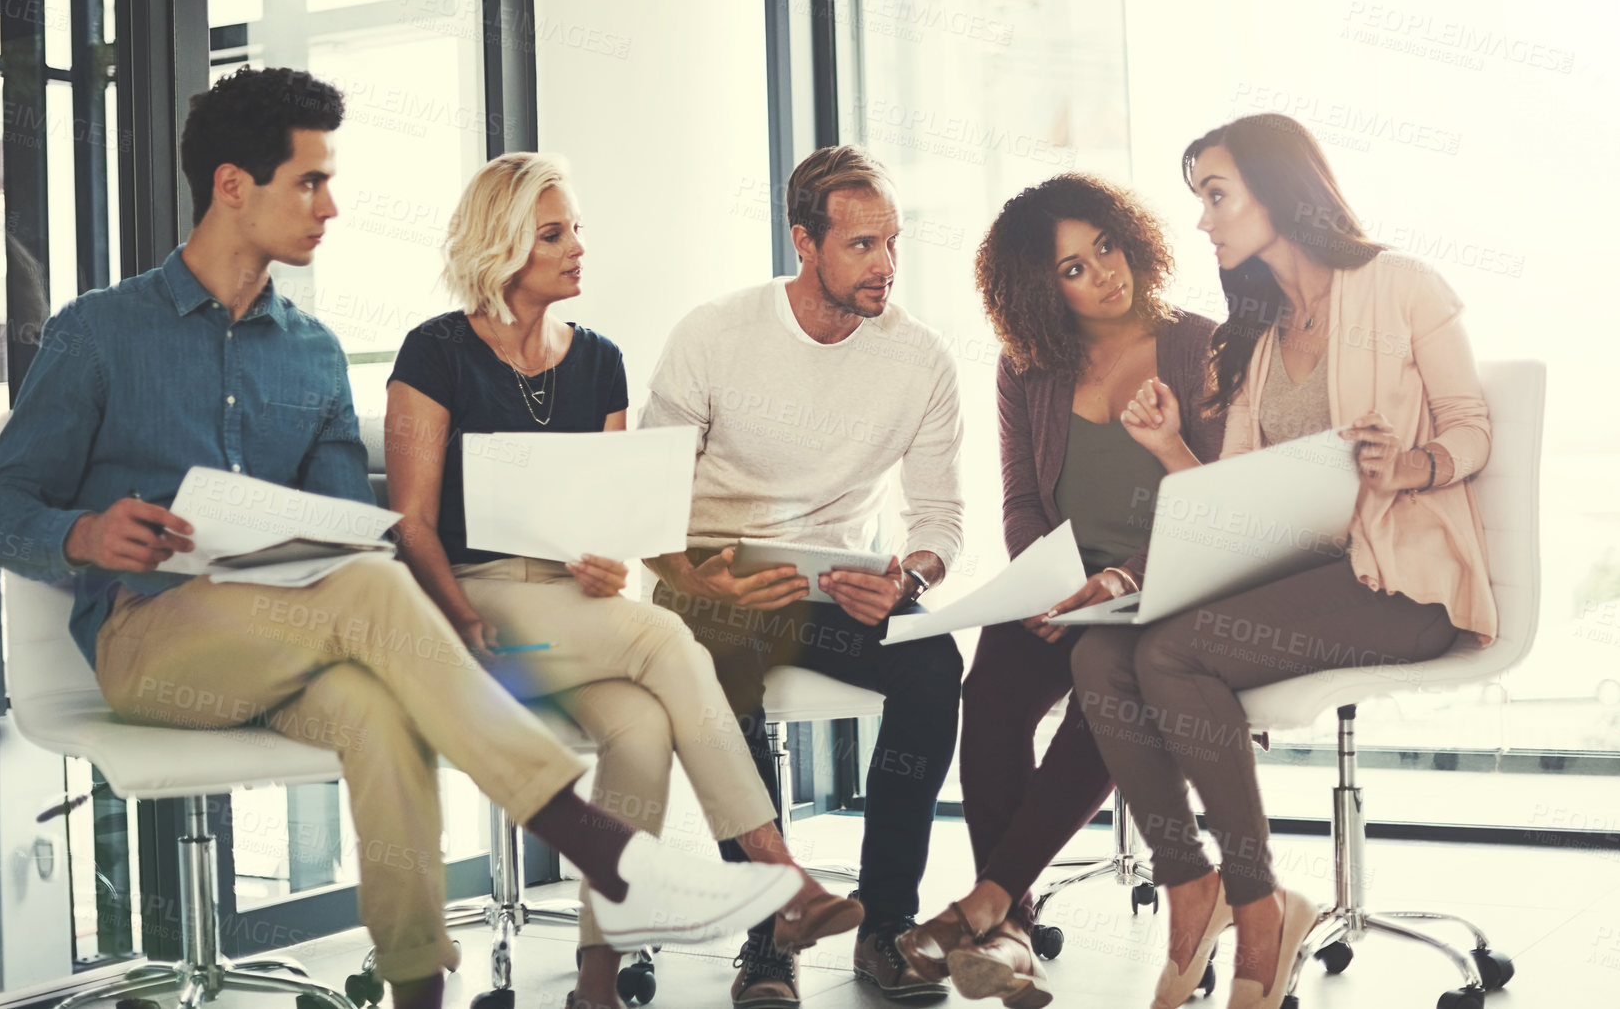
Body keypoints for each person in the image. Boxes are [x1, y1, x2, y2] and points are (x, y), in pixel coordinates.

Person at [0, 67, 803, 1009]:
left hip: (300, 639)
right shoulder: (100, 332)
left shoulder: (315, 352)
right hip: (152, 642)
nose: (332, 206)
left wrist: (339, 545)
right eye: (311, 182)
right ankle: (608, 853)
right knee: (372, 600)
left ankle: (417, 992)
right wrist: (83, 532)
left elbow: (349, 536)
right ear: (233, 186)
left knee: (379, 710)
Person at [384, 152, 863, 1009]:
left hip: (577, 603)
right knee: (668, 636)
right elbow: (412, 523)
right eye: (554, 233)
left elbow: (615, 524)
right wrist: (457, 615)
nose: (578, 248)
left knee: (641, 730)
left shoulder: (599, 359)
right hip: (477, 594)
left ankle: (595, 984)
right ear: (501, 246)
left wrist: (628, 560)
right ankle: (782, 878)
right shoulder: (436, 351)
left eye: (578, 230)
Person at [1066, 113, 1494, 1009]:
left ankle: (1259, 908)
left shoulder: (1402, 286)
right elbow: (1240, 501)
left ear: (1280, 189)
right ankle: (1194, 890)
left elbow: (1472, 426)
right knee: (1100, 653)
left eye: (1216, 195)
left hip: (1401, 584)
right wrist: (1171, 448)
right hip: (1301, 577)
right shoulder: (1258, 335)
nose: (1204, 221)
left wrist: (1417, 463)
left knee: (1169, 652)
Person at [640, 144, 967, 1008]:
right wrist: (702, 579)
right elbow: (643, 501)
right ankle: (768, 936)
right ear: (803, 241)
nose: (886, 266)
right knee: (719, 663)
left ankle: (886, 925)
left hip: (833, 592)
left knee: (936, 663)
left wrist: (908, 578)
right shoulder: (715, 333)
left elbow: (941, 522)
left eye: (893, 242)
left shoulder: (922, 358)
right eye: (862, 245)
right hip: (714, 591)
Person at [896, 173, 1225, 1008]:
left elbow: (1228, 503)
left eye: (1105, 246)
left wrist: (1123, 579)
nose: (1102, 272)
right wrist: (1051, 580)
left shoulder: (1203, 347)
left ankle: (990, 908)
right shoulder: (1029, 367)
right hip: (1068, 581)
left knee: (1103, 690)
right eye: (1073, 267)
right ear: (1041, 290)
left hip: (1174, 587)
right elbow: (1019, 499)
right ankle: (1007, 933)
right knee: (993, 691)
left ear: (1131, 239)